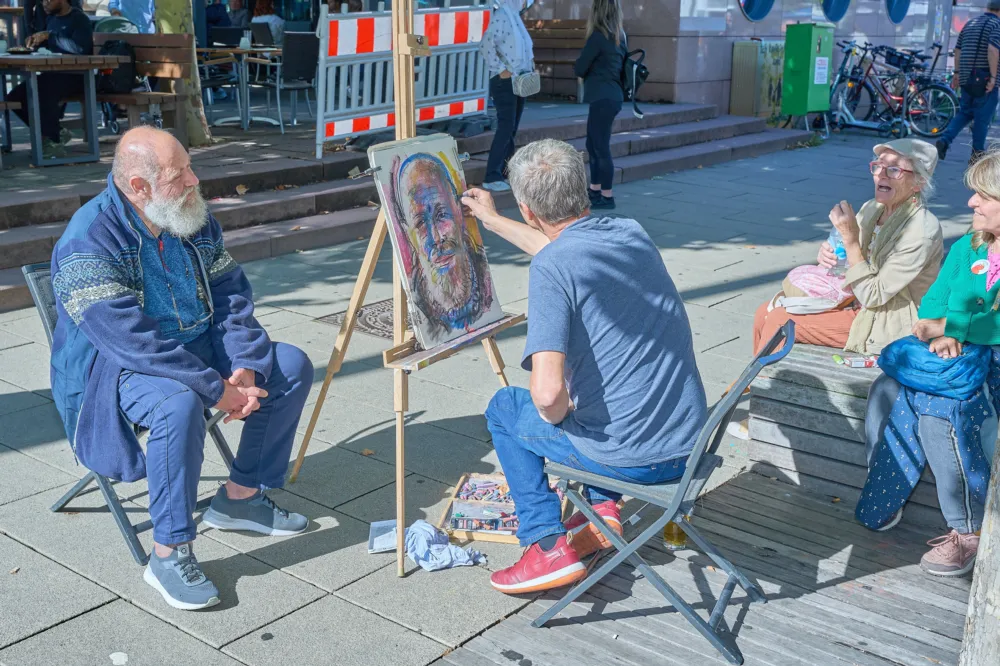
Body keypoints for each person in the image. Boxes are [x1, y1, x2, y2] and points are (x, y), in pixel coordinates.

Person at [49, 127, 314, 610]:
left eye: (190, 167)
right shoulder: (87, 239)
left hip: (197, 344)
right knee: (178, 402)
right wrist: (215, 388)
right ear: (138, 186)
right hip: (114, 368)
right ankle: (168, 551)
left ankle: (239, 497)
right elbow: (130, 342)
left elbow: (232, 294)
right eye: (180, 174)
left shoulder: (186, 215)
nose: (195, 180)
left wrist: (247, 367)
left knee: (290, 365)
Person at [461, 139, 708, 594]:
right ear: (582, 189)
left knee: (506, 408)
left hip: (633, 460)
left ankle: (545, 544)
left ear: (528, 209)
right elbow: (558, 247)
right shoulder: (630, 232)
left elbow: (547, 397)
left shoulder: (553, 269)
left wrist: (561, 415)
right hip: (689, 446)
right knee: (597, 391)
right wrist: (492, 220)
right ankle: (601, 509)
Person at [857, 150, 1000, 577]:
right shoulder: (970, 245)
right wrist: (942, 330)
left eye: (983, 196)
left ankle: (969, 530)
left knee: (941, 411)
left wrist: (954, 329)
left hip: (991, 364)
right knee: (887, 388)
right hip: (956, 357)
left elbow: (967, 322)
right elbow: (934, 304)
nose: (971, 203)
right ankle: (884, 494)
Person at [752, 139, 943, 355]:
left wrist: (850, 241)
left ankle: (756, 385)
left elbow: (874, 296)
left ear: (919, 183)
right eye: (878, 166)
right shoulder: (873, 208)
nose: (881, 174)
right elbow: (849, 261)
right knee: (763, 312)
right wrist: (830, 255)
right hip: (853, 299)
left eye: (894, 169)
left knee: (780, 321)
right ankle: (755, 386)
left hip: (888, 317)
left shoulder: (922, 230)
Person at [388, 152, 496, 344]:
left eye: (441, 214)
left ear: (458, 211)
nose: (436, 237)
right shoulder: (418, 300)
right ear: (407, 233)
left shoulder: (484, 283)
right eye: (420, 223)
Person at [7, 0, 92, 159]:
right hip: (53, 73)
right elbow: (51, 47)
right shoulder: (50, 20)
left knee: (43, 90)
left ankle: (51, 141)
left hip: (77, 76)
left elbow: (81, 49)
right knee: (16, 96)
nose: (44, 4)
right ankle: (56, 133)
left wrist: (50, 36)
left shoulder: (79, 19)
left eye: (48, 0)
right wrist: (35, 43)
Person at [478, 0, 534, 192]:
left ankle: (503, 172)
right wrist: (501, 70)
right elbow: (486, 45)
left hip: (518, 79)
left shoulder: (514, 17)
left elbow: (523, 47)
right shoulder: (503, 15)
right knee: (506, 126)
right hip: (505, 82)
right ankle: (491, 175)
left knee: (511, 127)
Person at [935, 1, 1000, 165]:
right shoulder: (997, 25)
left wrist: (957, 73)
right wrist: (993, 77)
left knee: (965, 112)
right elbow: (993, 49)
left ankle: (945, 139)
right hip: (984, 79)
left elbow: (958, 49)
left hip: (966, 77)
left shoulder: (970, 23)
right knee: (982, 118)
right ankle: (977, 155)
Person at [575, 0, 625, 210]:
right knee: (593, 144)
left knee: (600, 146)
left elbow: (580, 67)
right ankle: (595, 190)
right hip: (612, 96)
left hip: (602, 97)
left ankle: (606, 195)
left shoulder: (598, 36)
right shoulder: (619, 36)